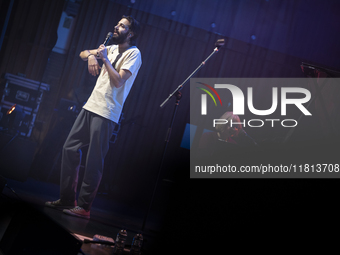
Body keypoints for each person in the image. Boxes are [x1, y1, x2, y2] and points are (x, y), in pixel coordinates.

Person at [45, 16, 142, 219]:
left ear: (130, 33)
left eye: (122, 26)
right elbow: (82, 53)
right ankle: (66, 198)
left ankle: (84, 207)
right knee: (69, 148)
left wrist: (104, 59)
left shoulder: (134, 54)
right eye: (117, 24)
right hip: (90, 106)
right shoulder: (111, 48)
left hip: (107, 112)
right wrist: (91, 56)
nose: (116, 27)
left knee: (94, 160)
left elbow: (118, 82)